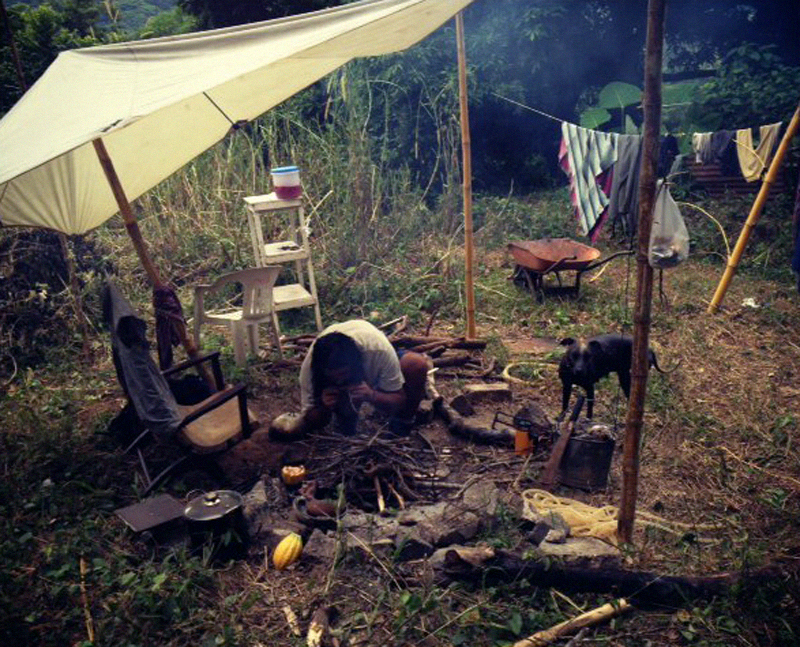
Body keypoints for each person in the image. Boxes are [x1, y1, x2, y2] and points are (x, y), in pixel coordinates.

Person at [297, 319, 429, 436]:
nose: (339, 381)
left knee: (416, 365)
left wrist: (372, 395)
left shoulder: (377, 351)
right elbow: (309, 418)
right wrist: (324, 407)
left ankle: (401, 425)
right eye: (334, 378)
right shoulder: (310, 368)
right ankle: (345, 422)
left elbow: (399, 399)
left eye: (343, 375)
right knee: (344, 423)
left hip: (371, 349)